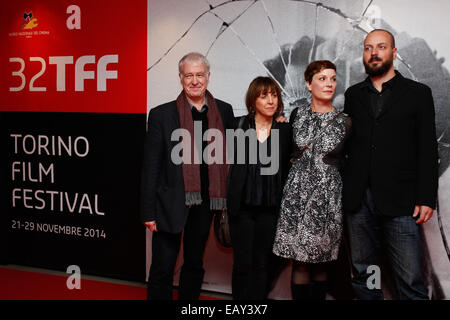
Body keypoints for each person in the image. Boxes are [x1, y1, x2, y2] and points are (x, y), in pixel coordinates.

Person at [343, 29, 438, 300]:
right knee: (366, 276)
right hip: (359, 202)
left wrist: (426, 197)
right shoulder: (353, 95)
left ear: (394, 53)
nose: (374, 53)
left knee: (410, 280)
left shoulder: (418, 93)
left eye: (381, 47)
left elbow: (427, 149)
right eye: (368, 48)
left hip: (402, 201)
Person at [140, 52, 235, 300]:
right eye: (189, 75)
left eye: (199, 75)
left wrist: (276, 119)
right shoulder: (161, 114)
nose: (195, 80)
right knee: (163, 265)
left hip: (205, 203)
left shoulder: (224, 111)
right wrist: (148, 212)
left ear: (208, 77)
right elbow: (151, 167)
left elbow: (242, 141)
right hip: (170, 203)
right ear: (180, 78)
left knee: (194, 262)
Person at [272, 60, 351, 300]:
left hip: (327, 199)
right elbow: (287, 153)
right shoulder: (297, 114)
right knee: (301, 263)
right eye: (322, 78)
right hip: (297, 197)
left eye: (333, 78)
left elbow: (350, 161)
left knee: (321, 263)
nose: (329, 84)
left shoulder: (345, 120)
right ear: (308, 84)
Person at [226, 76, 292, 300]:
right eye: (264, 96)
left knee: (262, 264)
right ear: (253, 100)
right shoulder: (237, 125)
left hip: (270, 209)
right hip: (242, 208)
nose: (270, 100)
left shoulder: (285, 130)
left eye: (274, 95)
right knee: (242, 264)